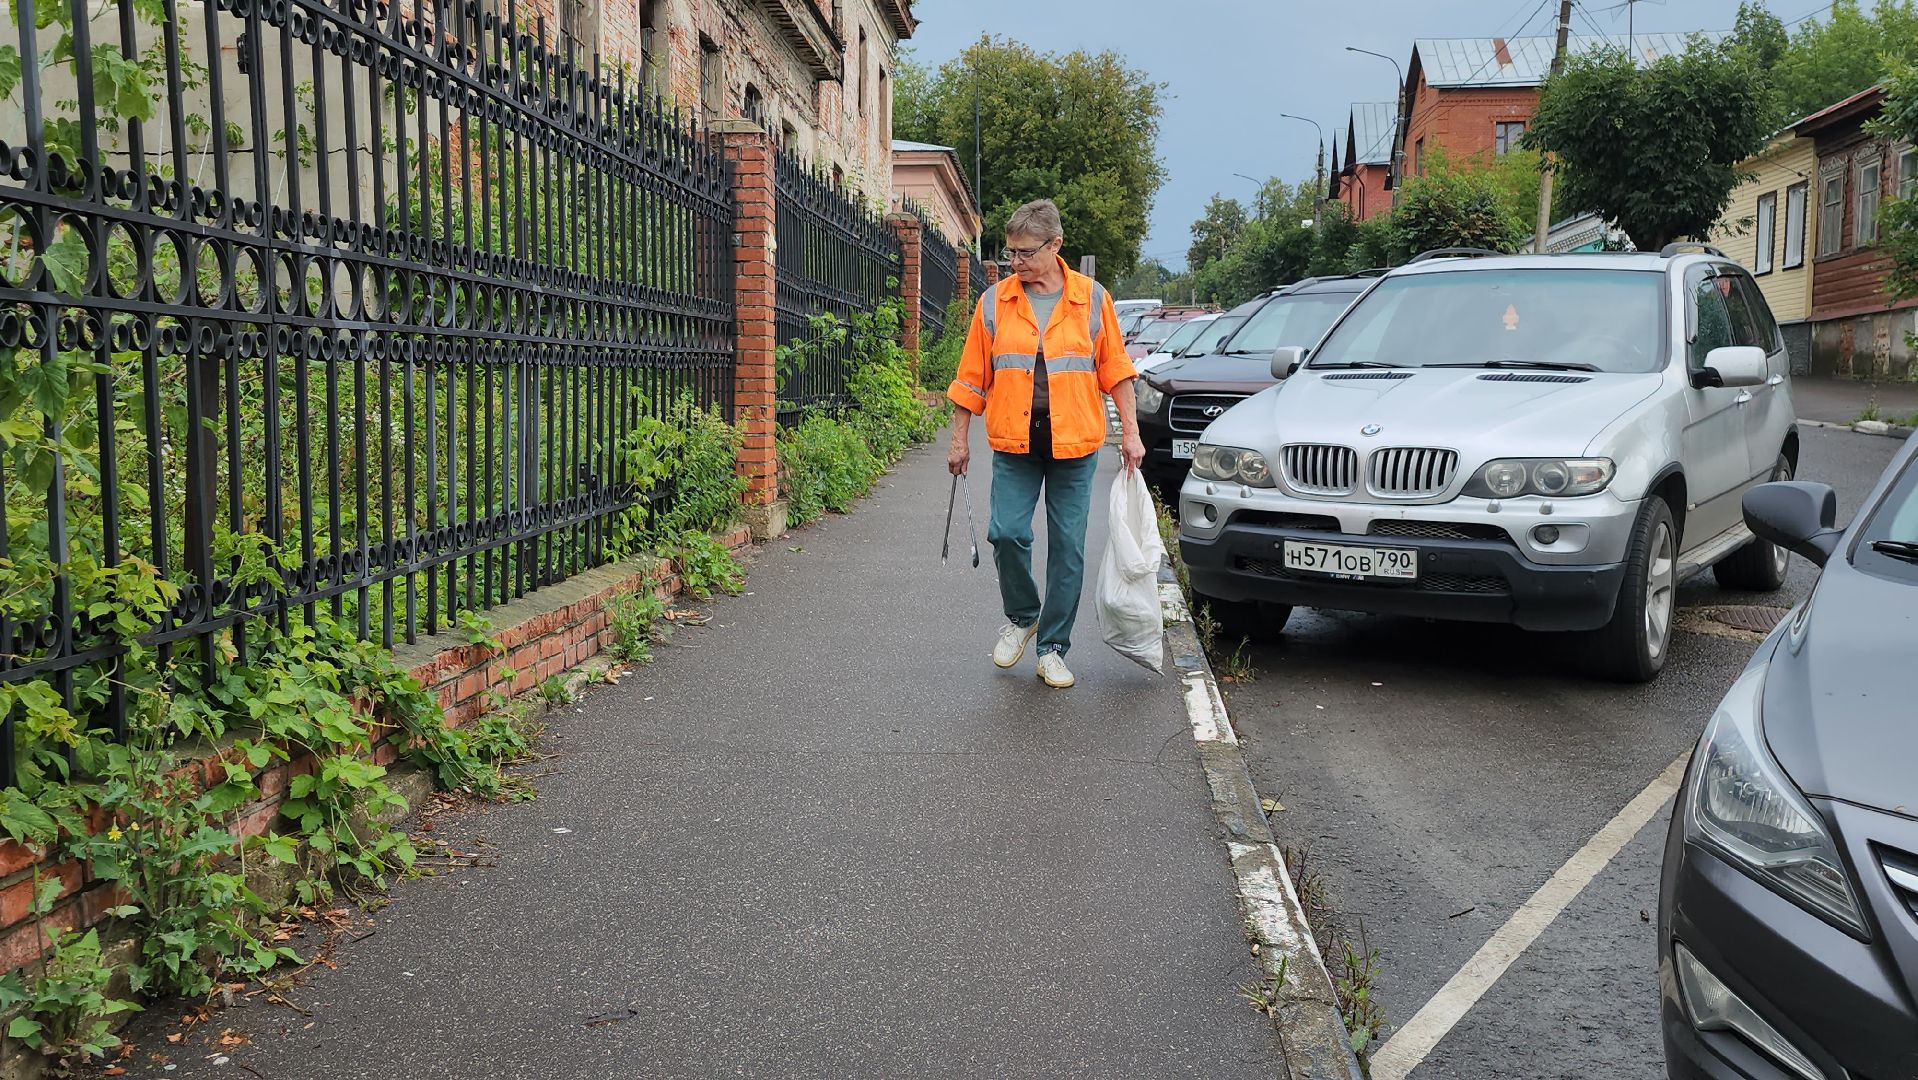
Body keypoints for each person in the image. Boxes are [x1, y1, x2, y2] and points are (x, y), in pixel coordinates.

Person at [945, 199, 1146, 689]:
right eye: (1010, 252)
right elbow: (971, 376)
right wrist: (958, 440)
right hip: (1015, 441)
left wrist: (1132, 433)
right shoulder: (994, 302)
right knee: (1006, 533)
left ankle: (1053, 647)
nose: (1015, 262)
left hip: (1074, 444)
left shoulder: (1091, 299)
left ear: (1056, 245)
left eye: (1025, 252)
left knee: (1068, 548)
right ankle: (1023, 616)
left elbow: (1116, 369)